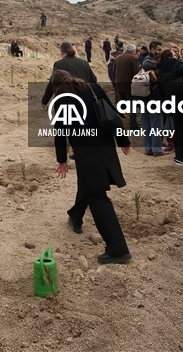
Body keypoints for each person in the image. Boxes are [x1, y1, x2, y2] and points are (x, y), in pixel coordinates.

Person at [50, 70, 133, 264]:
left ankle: (117, 249)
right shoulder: (94, 88)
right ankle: (76, 216)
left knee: (96, 195)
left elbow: (60, 133)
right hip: (105, 147)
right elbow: (113, 115)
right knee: (89, 185)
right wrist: (122, 140)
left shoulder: (61, 100)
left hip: (87, 152)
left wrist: (62, 160)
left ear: (55, 85)